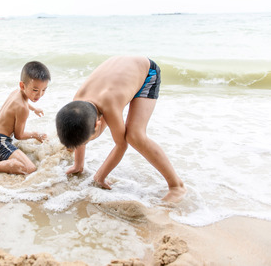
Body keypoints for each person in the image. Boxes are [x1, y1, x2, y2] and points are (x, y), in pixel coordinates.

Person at [55, 56, 186, 202]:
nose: (83, 144)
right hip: (121, 72)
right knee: (81, 126)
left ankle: (177, 186)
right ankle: (79, 165)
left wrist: (100, 176)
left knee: (134, 136)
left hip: (147, 74)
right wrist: (78, 165)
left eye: (84, 143)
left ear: (97, 124)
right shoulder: (76, 105)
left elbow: (121, 145)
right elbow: (80, 127)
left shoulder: (110, 105)